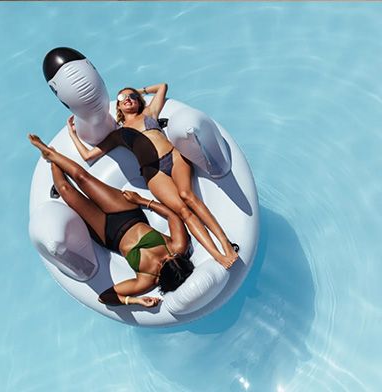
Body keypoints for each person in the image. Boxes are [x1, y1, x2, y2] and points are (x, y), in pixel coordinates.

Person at [66, 83, 238, 268]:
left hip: (174, 157)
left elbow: (162, 87)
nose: (129, 99)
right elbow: (88, 155)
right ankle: (217, 256)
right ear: (118, 107)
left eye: (132, 96)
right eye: (123, 98)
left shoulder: (149, 113)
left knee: (188, 196)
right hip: (153, 171)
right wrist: (72, 132)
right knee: (183, 211)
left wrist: (140, 91)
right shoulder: (118, 134)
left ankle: (226, 244)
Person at [29, 134, 196, 308]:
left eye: (164, 262)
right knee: (83, 178)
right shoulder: (178, 248)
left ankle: (52, 162)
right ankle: (49, 152)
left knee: (66, 190)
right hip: (128, 213)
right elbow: (173, 216)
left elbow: (105, 297)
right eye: (173, 257)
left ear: (162, 276)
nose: (167, 256)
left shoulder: (146, 281)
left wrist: (135, 300)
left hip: (108, 233)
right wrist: (142, 202)